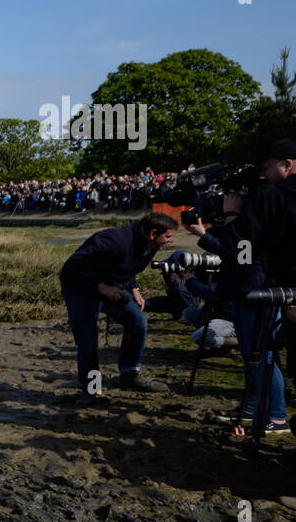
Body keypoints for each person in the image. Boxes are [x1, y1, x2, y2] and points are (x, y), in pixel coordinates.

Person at [191, 139, 296, 436]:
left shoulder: (275, 197)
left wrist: (232, 216)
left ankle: (275, 415)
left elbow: (242, 248)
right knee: (254, 351)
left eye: (266, 168)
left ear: (286, 164)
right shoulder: (272, 196)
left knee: (261, 352)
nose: (264, 175)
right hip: (257, 283)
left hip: (257, 284)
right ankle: (254, 407)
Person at [58, 214, 178, 396]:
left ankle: (130, 374)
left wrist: (134, 288)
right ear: (153, 233)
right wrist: (101, 287)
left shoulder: (150, 243)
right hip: (80, 289)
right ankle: (92, 390)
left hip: (113, 288)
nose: (171, 240)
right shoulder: (112, 240)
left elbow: (125, 265)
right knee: (88, 343)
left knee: (138, 322)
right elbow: (71, 269)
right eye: (168, 236)